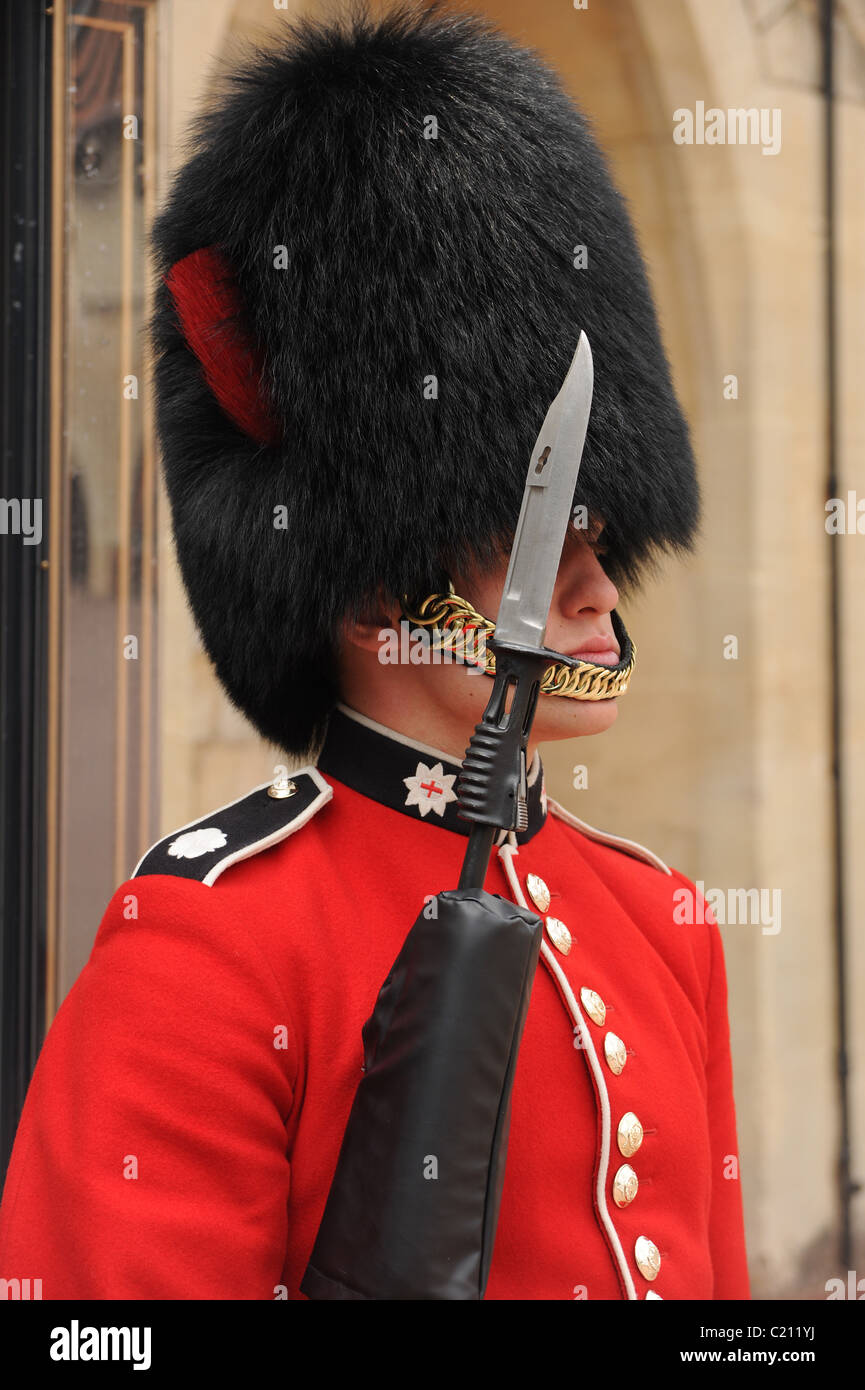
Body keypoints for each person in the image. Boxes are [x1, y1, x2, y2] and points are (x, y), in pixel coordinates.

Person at [0, 2, 749, 1300]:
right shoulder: (210, 942)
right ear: (369, 583)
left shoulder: (663, 922)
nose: (592, 573)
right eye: (520, 519)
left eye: (590, 514)